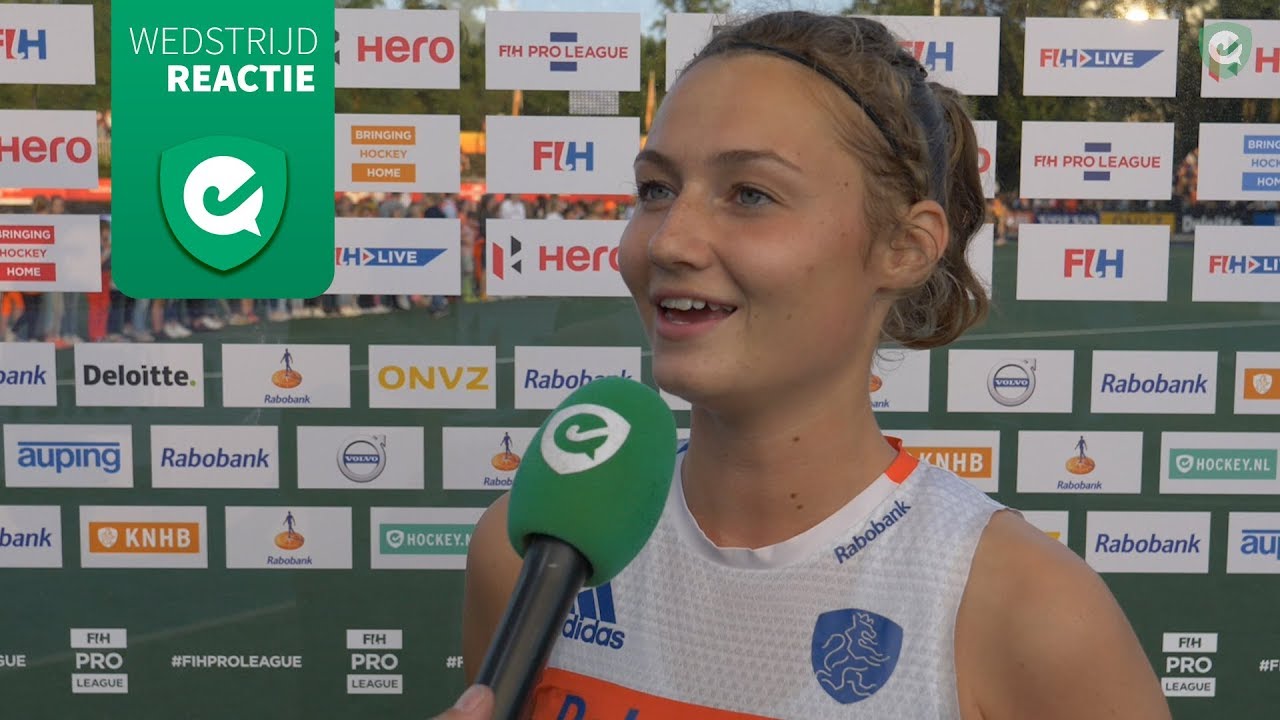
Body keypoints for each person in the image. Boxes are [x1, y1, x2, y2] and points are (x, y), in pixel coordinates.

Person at [440, 11, 1170, 720]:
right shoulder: (528, 557)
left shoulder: (1030, 611)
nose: (668, 242)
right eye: (656, 189)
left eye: (750, 194)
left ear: (905, 248)